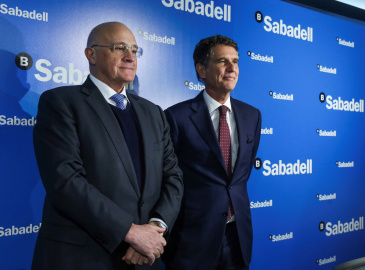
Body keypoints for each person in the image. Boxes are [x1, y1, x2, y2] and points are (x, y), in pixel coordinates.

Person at [31, 22, 183, 269]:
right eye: (119, 48)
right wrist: (131, 232)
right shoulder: (60, 102)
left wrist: (156, 227)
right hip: (84, 257)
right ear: (91, 54)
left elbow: (173, 176)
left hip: (145, 257)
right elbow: (65, 181)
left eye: (135, 50)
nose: (130, 57)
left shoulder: (153, 112)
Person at [163, 35, 261, 270]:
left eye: (235, 61)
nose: (232, 68)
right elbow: (167, 179)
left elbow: (240, 176)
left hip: (237, 236)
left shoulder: (252, 116)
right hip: (193, 238)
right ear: (201, 69)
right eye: (222, 61)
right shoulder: (176, 117)